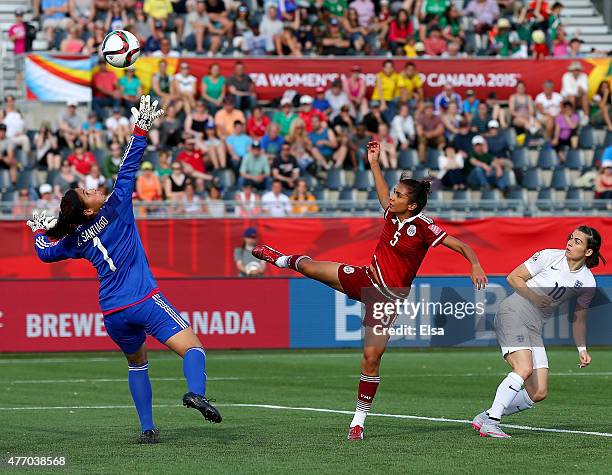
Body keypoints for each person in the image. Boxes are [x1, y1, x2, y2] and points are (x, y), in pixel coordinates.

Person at [251, 141, 487, 440]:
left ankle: (358, 421)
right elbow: (380, 192)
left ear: (412, 205)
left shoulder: (425, 226)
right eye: (394, 192)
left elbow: (462, 245)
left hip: (386, 299)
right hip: (365, 278)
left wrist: (475, 264)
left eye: (399, 195)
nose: (392, 197)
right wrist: (374, 162)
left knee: (371, 357)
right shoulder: (391, 214)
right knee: (311, 268)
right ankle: (280, 258)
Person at [26, 97, 221, 442]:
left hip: (113, 310)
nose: (94, 187)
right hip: (144, 298)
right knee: (193, 348)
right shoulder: (116, 206)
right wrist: (141, 127)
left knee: (137, 363)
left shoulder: (74, 240)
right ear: (88, 210)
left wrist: (40, 231)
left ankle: (148, 429)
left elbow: (44, 254)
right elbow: (129, 164)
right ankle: (197, 393)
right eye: (88, 191)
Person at [473, 227, 602, 438]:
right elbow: (513, 277)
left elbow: (579, 318)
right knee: (523, 368)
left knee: (539, 391)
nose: (570, 242)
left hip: (533, 327)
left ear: (588, 252)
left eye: (577, 241)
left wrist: (582, 349)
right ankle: (492, 423)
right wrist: (534, 297)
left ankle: (487, 415)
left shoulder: (587, 282)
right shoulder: (549, 255)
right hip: (513, 312)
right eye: (570, 237)